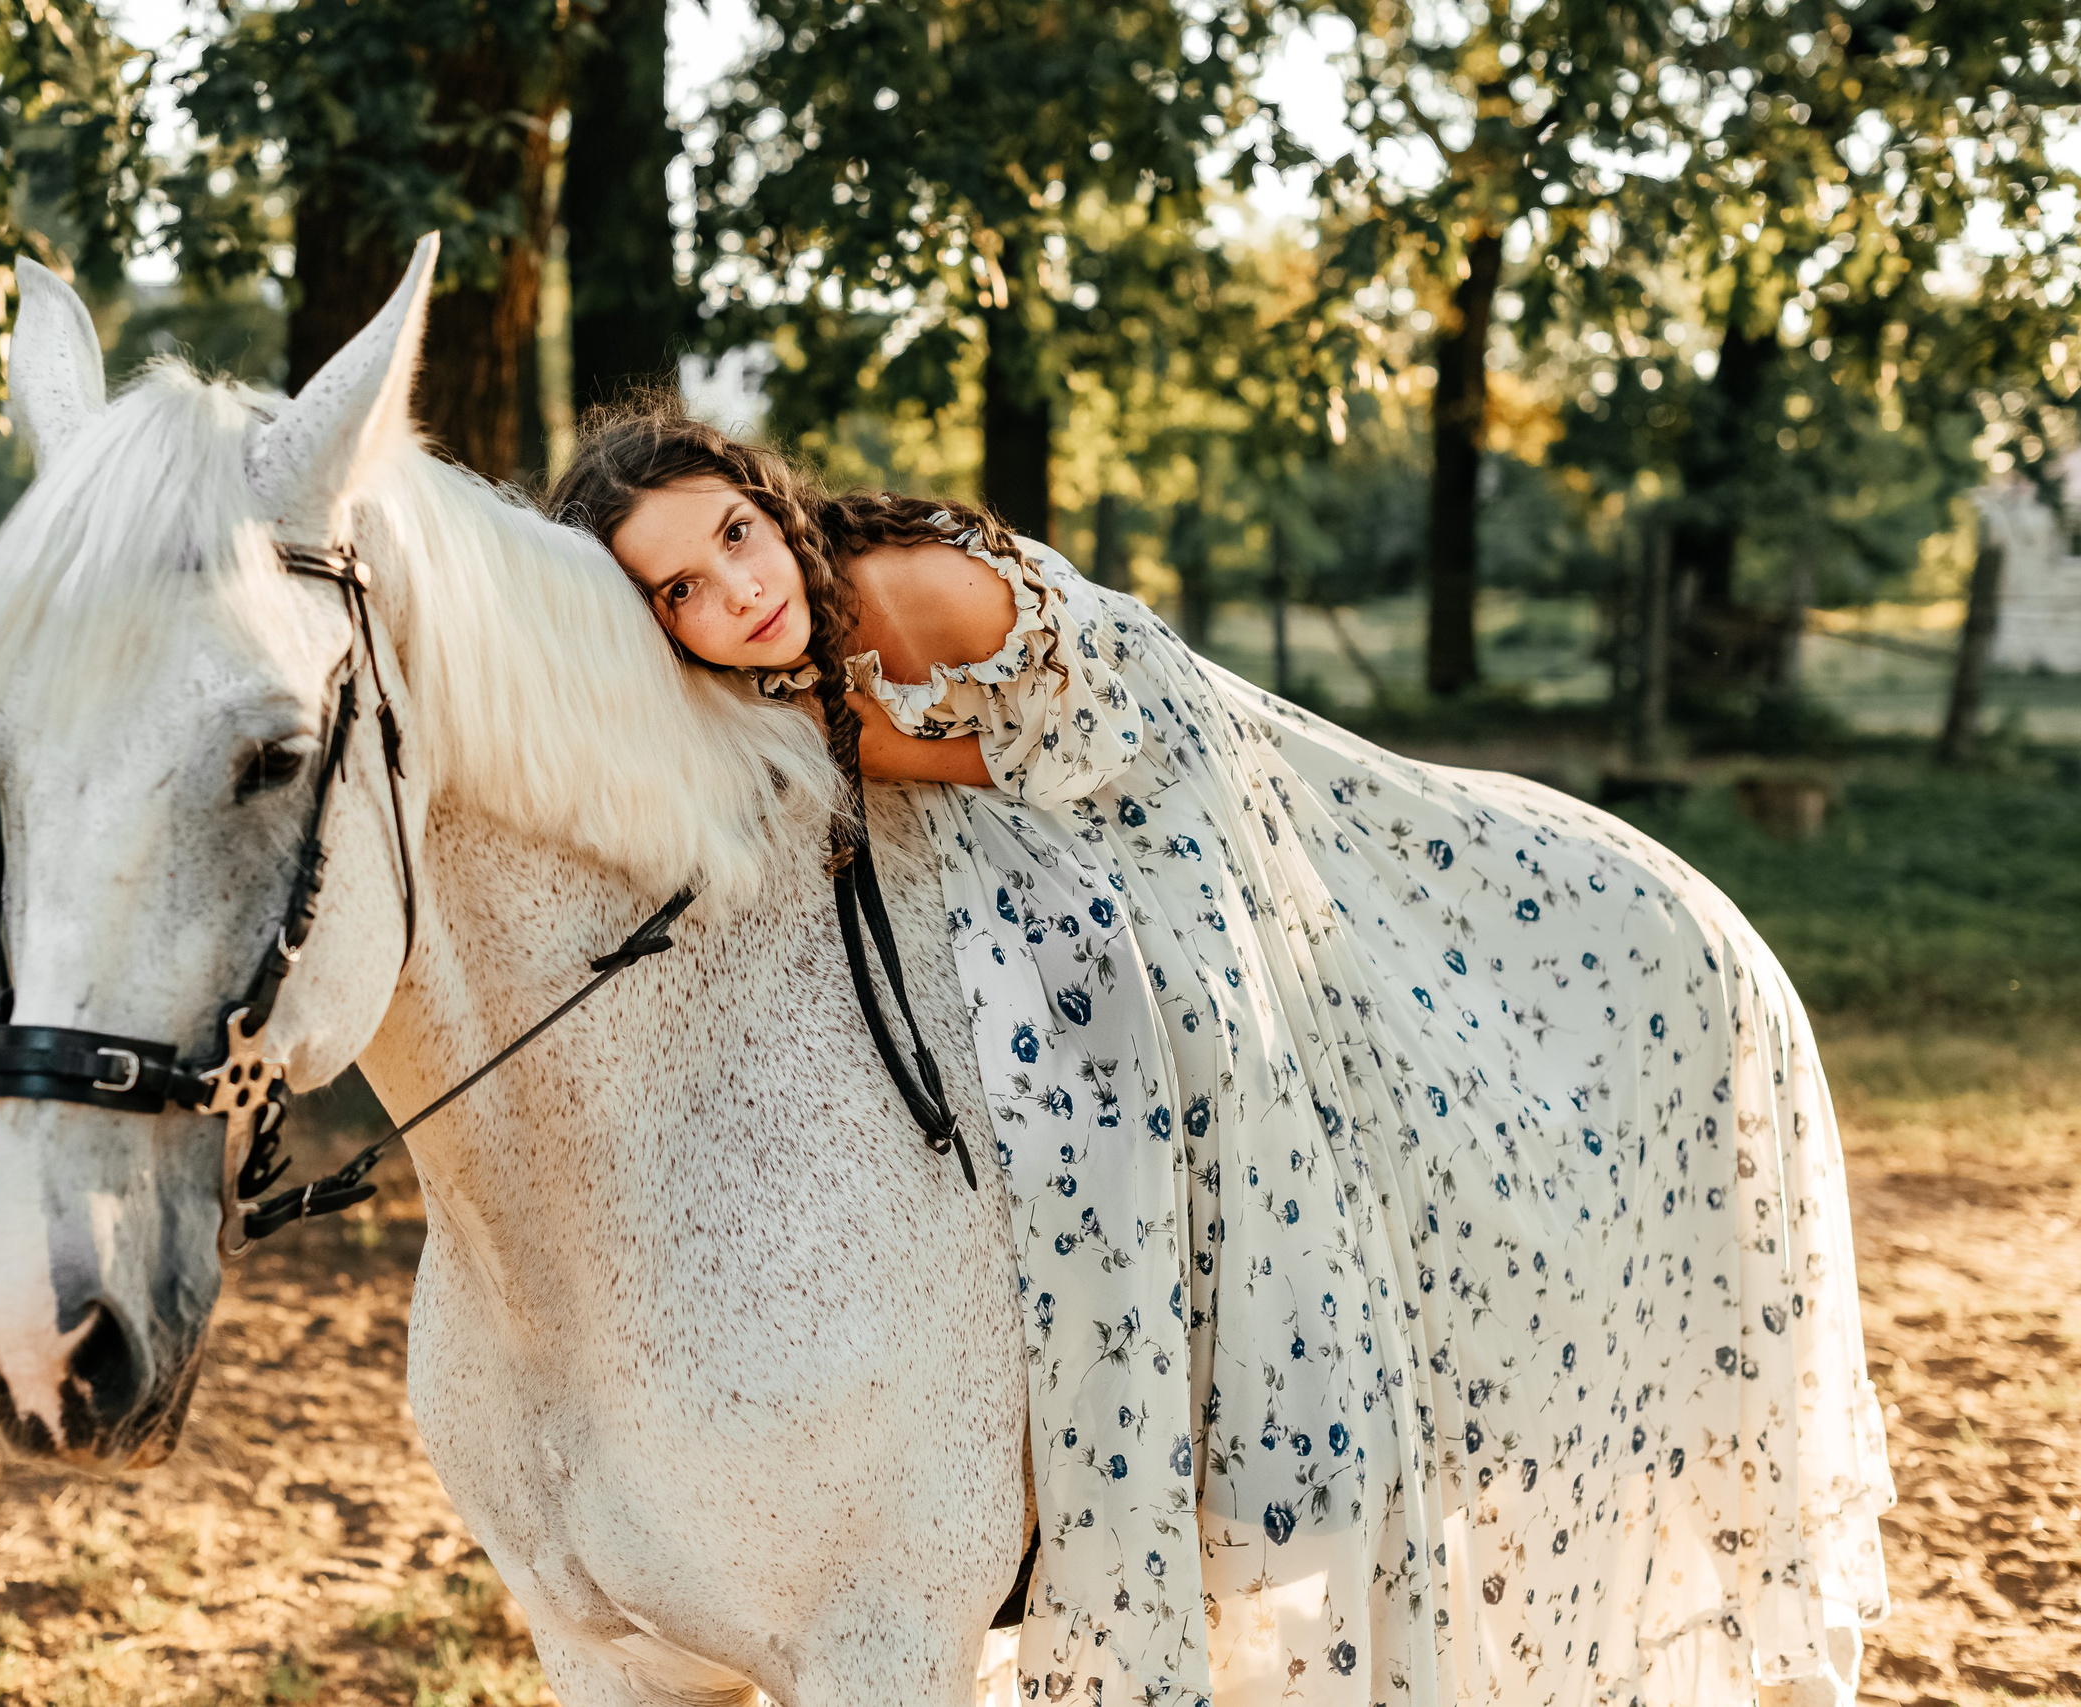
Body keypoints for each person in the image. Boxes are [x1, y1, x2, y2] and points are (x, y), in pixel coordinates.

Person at [545, 405, 1890, 1707]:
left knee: (1185, 1034)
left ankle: (1268, 1438)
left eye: (734, 535)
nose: (735, 591)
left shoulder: (901, 592)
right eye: (679, 590)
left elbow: (1048, 749)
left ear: (771, 505)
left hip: (1147, 793)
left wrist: (792, 738)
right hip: (1010, 811)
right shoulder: (755, 663)